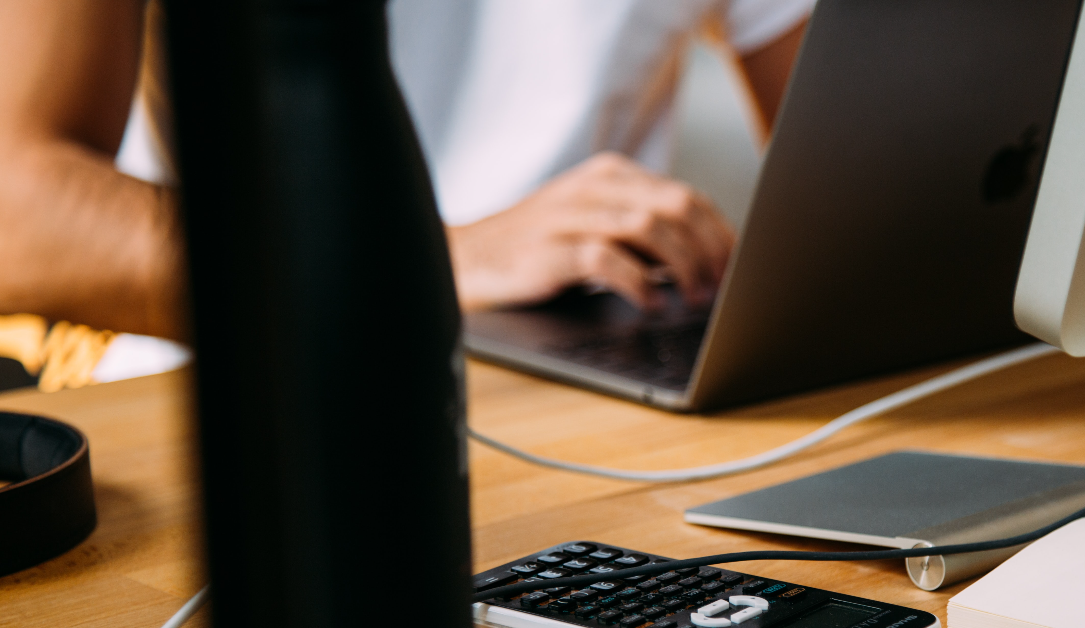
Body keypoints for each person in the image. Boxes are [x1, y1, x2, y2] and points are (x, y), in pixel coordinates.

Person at [0, 0, 811, 351]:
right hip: (258, 391)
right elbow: (20, 211)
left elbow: (866, 172)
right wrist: (432, 262)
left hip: (594, 371)